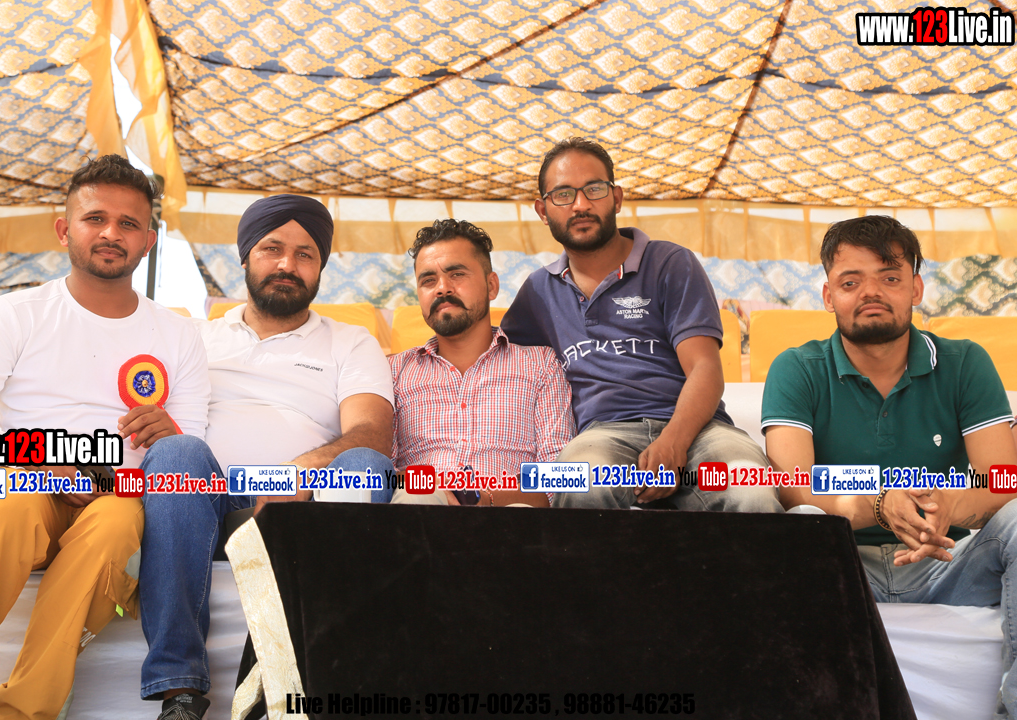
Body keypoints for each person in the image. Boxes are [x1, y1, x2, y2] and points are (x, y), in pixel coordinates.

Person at [0, 155, 210, 719]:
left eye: (129, 223)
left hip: (118, 498)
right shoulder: (16, 313)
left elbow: (192, 445)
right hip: (23, 482)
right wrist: (39, 462)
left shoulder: (179, 334)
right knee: (6, 509)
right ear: (65, 230)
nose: (111, 233)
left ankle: (22, 713)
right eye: (95, 218)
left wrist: (171, 432)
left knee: (114, 528)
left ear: (148, 242)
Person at [138, 194, 395, 720]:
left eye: (305, 254)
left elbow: (371, 433)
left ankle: (319, 674)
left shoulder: (349, 342)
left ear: (320, 266)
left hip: (307, 501)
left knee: (366, 467)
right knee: (176, 452)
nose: (287, 264)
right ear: (246, 256)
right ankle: (179, 688)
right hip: (205, 497)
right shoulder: (194, 337)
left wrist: (298, 472)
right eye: (272, 249)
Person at [762, 215, 1017, 719]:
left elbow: (1004, 482)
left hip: (948, 562)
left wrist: (949, 506)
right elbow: (793, 487)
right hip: (844, 569)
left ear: (916, 288)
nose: (871, 293)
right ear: (828, 295)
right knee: (800, 526)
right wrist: (880, 506)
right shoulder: (797, 367)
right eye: (850, 282)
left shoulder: (965, 362)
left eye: (890, 277)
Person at [501, 137, 780, 512]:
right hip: (602, 436)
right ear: (543, 210)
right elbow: (497, 360)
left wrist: (673, 442)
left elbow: (705, 367)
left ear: (616, 198)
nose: (580, 205)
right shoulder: (538, 292)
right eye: (563, 194)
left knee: (751, 489)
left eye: (594, 189)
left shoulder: (670, 263)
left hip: (701, 430)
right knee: (580, 480)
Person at [391, 219, 575, 508]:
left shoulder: (540, 365)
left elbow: (559, 476)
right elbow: (381, 470)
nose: (442, 288)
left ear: (491, 286)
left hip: (507, 514)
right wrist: (433, 487)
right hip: (421, 511)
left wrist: (485, 499)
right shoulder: (395, 372)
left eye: (457, 274)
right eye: (428, 281)